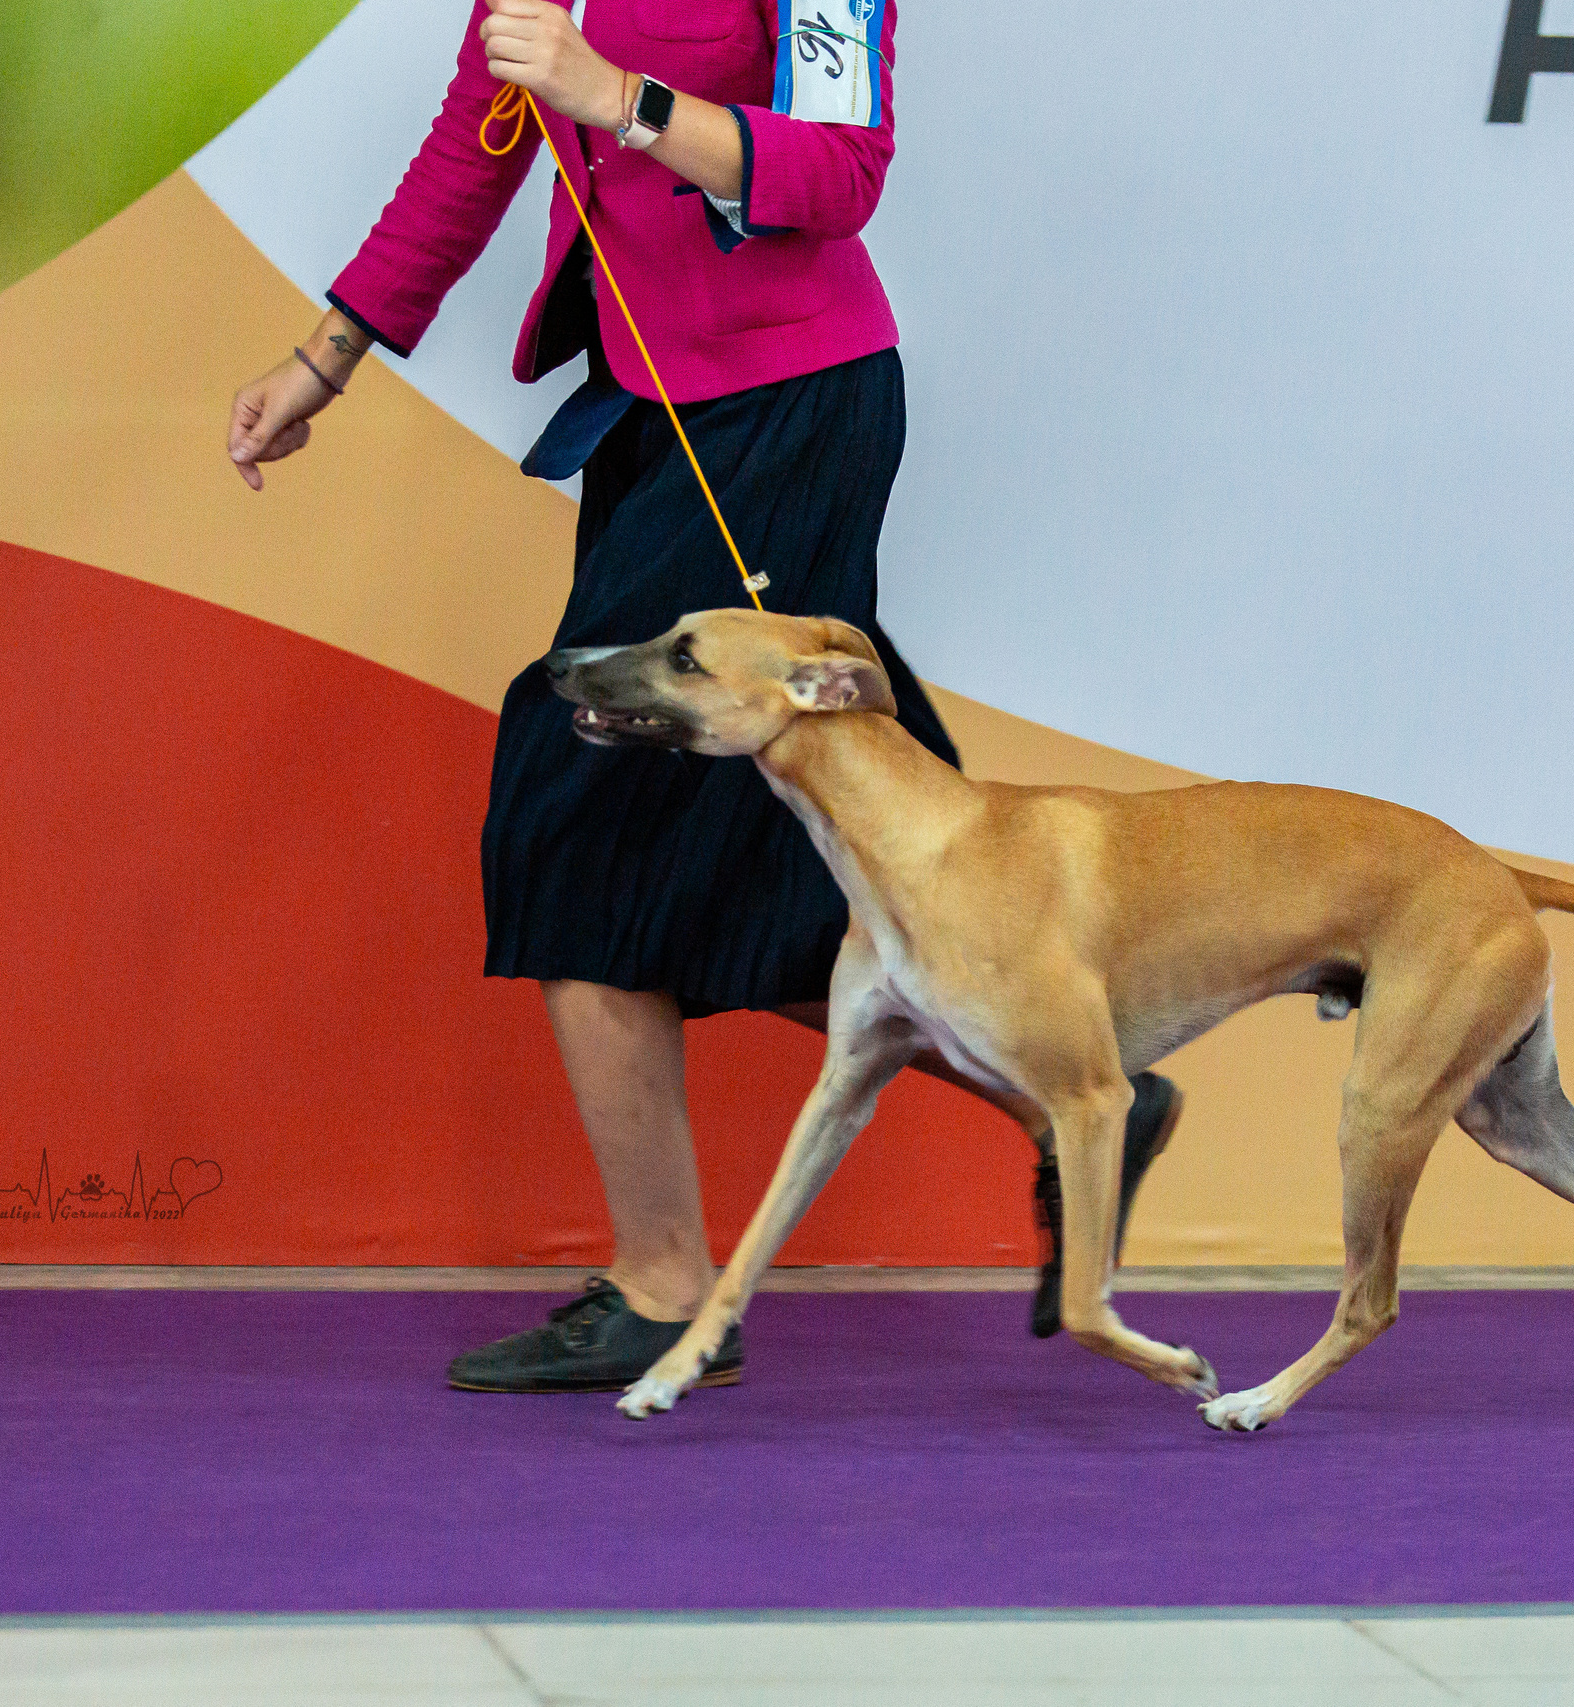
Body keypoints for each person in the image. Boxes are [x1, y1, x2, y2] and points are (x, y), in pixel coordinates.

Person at [224, 0, 1179, 1392]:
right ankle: (1073, 1090)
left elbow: (841, 174)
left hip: (790, 411)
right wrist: (322, 364)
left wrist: (621, 97)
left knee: (574, 796)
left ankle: (669, 1286)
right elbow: (471, 149)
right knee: (753, 877)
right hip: (650, 414)